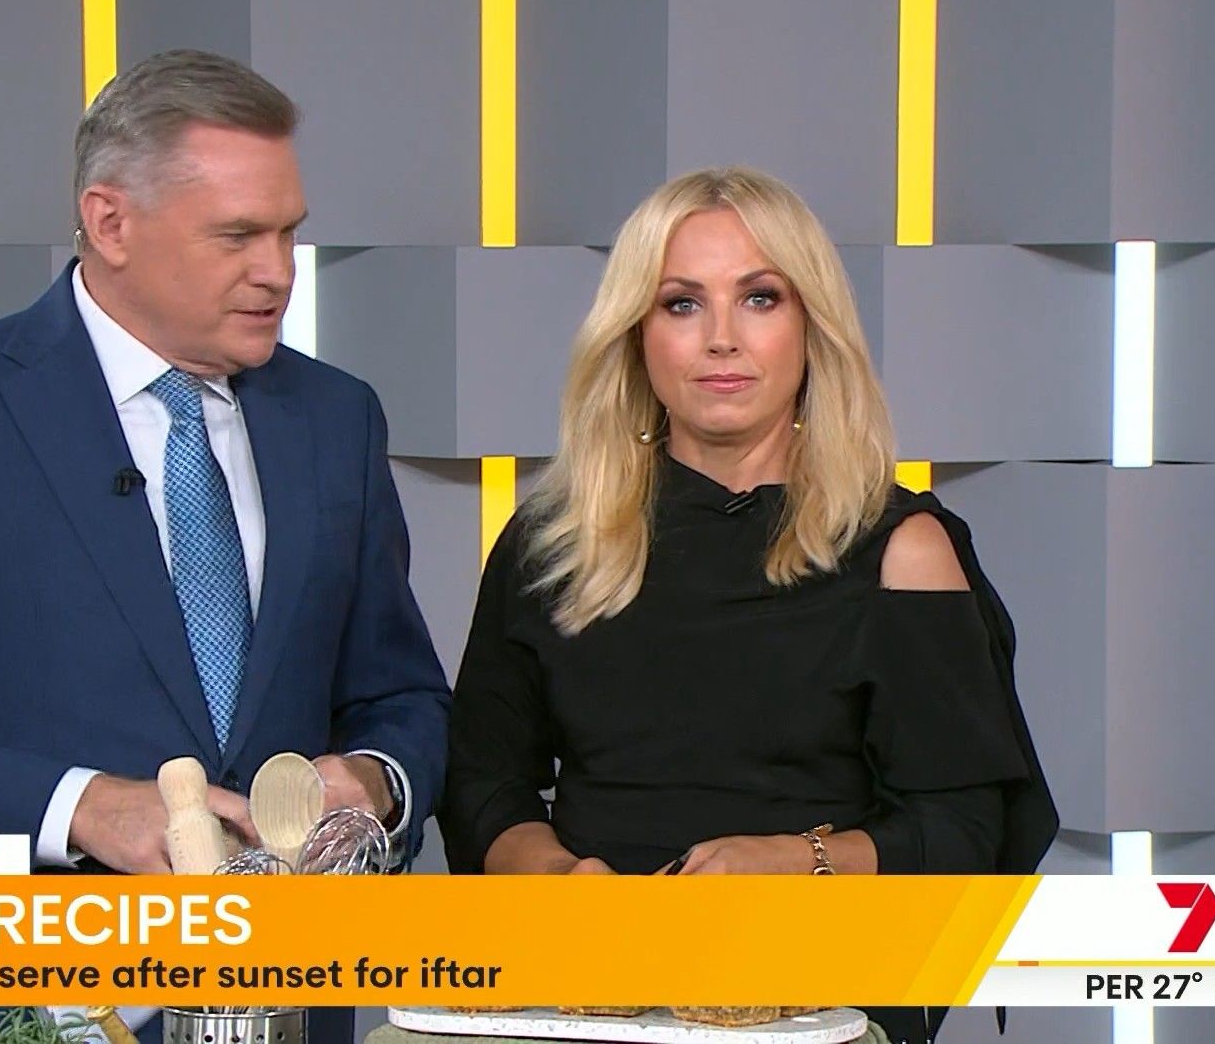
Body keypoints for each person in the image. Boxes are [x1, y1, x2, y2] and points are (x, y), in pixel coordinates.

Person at [0, 49, 450, 1044]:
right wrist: (82, 807)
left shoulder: (335, 418)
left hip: (288, 1003)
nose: (277, 271)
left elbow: (403, 698)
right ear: (110, 222)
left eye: (289, 233)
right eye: (237, 235)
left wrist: (375, 783)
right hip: (26, 1002)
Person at [439, 167, 1056, 1044]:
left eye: (760, 298)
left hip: (816, 999)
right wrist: (559, 881)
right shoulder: (552, 541)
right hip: (584, 992)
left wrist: (794, 863)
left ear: (811, 325)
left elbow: (961, 833)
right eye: (682, 304)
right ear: (636, 335)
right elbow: (480, 784)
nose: (721, 339)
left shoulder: (902, 549)